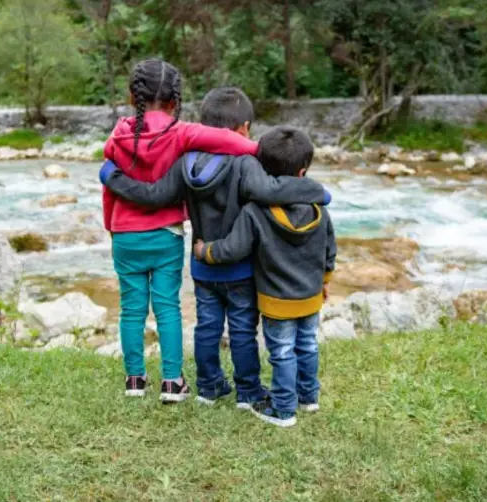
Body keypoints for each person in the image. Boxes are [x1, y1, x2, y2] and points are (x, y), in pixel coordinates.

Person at [100, 87, 331, 409]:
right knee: (242, 330)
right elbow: (270, 191)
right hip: (241, 266)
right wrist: (315, 192)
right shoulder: (246, 163)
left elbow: (155, 196)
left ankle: (208, 387)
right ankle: (248, 391)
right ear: (244, 128)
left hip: (202, 264)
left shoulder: (186, 162)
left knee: (207, 327)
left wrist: (113, 177)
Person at [102, 59, 260, 404]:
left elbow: (109, 189)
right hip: (166, 234)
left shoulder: (118, 136)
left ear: (132, 97)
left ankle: (134, 379)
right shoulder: (181, 132)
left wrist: (111, 227)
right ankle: (172, 382)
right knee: (167, 307)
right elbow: (231, 141)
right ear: (175, 100)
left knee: (131, 308)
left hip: (124, 233)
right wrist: (265, 151)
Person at [193, 126, 336, 428]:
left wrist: (206, 251)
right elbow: (329, 251)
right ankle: (308, 397)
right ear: (303, 171)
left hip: (275, 300)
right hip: (310, 296)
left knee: (282, 352)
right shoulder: (319, 210)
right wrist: (324, 282)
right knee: (308, 345)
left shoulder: (255, 211)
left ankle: (283, 409)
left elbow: (234, 248)